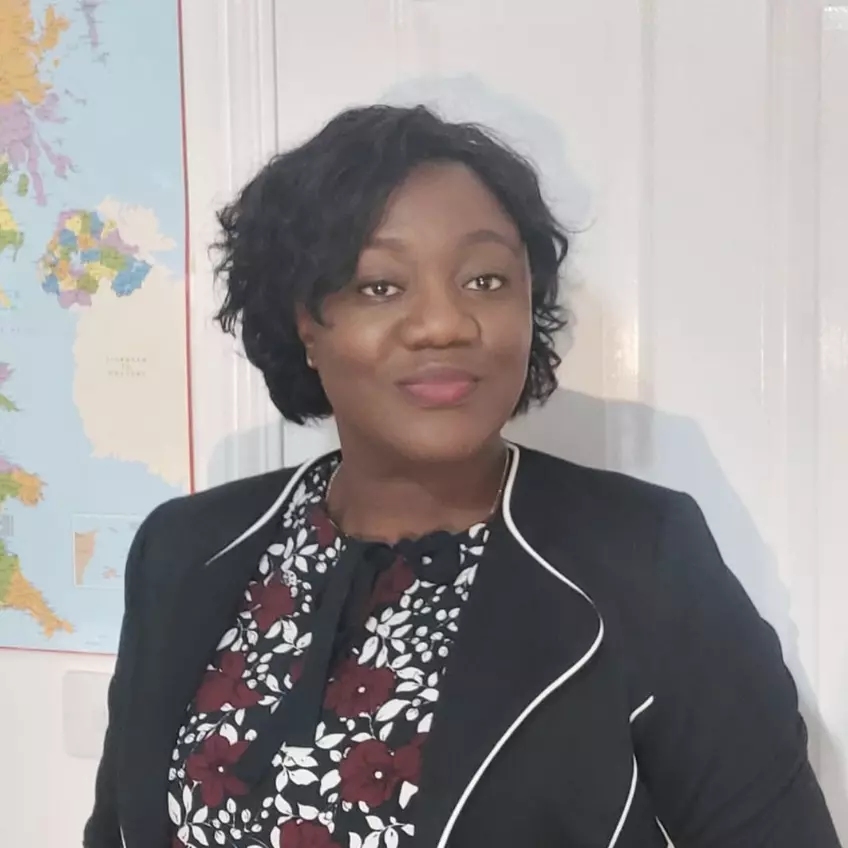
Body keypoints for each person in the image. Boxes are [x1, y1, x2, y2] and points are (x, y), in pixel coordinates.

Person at [84, 105, 840, 848]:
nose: (446, 323)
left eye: (485, 280)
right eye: (380, 286)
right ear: (306, 321)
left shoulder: (645, 560)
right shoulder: (184, 551)